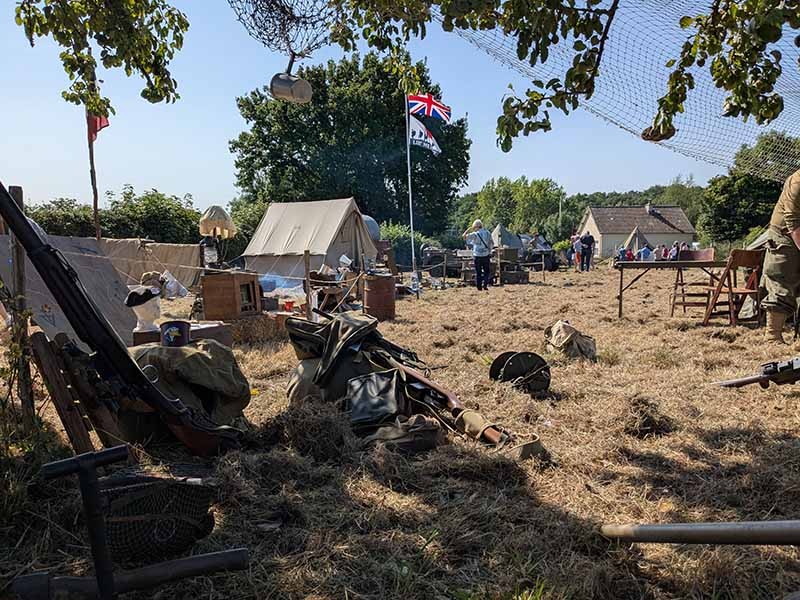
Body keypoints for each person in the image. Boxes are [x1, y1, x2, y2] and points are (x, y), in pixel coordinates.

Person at [762, 169, 800, 342]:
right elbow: (793, 221)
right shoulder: (797, 182)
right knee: (782, 279)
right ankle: (773, 337)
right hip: (784, 233)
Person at [463, 219, 493, 291]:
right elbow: (491, 243)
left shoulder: (475, 234)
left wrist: (468, 230)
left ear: (476, 227)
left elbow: (464, 236)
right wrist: (489, 250)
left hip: (477, 255)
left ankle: (479, 287)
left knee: (478, 272)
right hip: (486, 255)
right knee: (487, 271)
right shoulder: (488, 233)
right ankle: (485, 285)